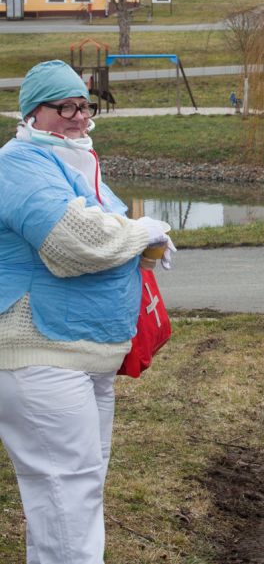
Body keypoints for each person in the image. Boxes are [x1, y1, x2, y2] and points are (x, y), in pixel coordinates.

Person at [0, 60, 173, 563]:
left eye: (85, 105)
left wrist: (143, 244)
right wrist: (141, 231)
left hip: (83, 356)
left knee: (77, 491)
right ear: (33, 113)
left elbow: (108, 233)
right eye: (66, 107)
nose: (80, 116)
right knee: (64, 495)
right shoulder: (19, 163)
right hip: (42, 355)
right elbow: (74, 241)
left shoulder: (74, 161)